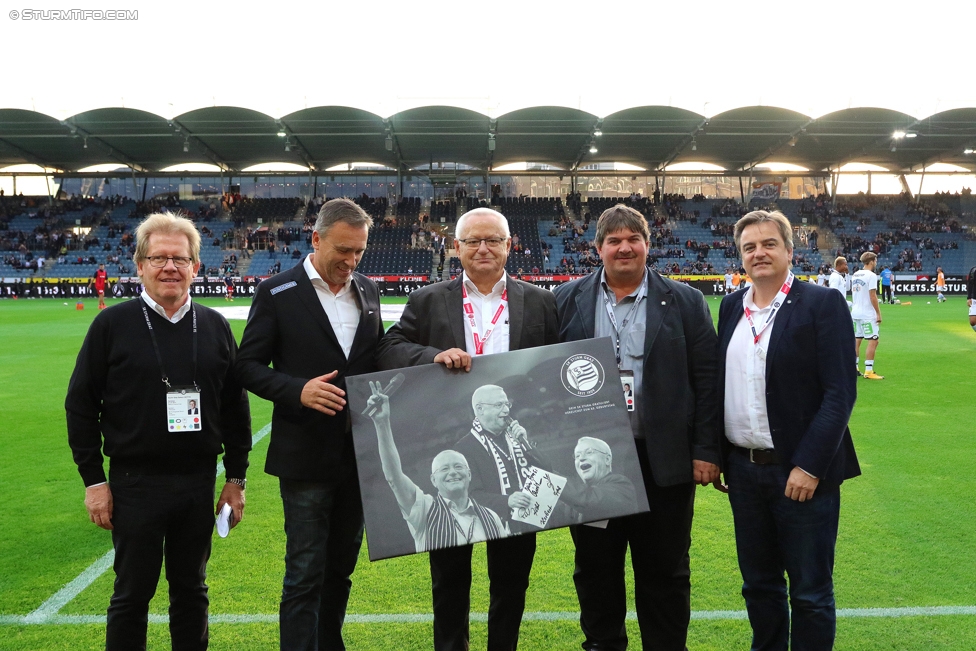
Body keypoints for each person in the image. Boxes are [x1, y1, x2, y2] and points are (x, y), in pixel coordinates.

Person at [65, 213, 252, 651]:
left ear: (196, 267)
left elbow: (234, 407)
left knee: (191, 592)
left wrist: (236, 479)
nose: (170, 267)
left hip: (196, 482)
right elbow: (80, 405)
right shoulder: (111, 326)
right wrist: (94, 480)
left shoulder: (215, 326)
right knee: (132, 596)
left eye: (179, 259)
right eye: (159, 258)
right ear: (140, 266)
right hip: (135, 483)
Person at [376, 207, 559, 651]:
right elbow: (390, 347)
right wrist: (431, 357)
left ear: (510, 246)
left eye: (493, 240)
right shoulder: (427, 299)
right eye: (473, 240)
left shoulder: (540, 300)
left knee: (512, 580)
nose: (483, 248)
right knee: (450, 580)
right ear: (455, 247)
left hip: (516, 461)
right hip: (456, 455)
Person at [553, 204, 721, 651]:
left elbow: (706, 379)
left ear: (648, 244)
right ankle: (603, 645)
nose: (624, 247)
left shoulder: (685, 300)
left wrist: (707, 448)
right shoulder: (566, 298)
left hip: (662, 459)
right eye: (614, 240)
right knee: (595, 567)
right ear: (598, 248)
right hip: (592, 462)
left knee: (665, 569)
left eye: (633, 239)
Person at [235, 198, 385, 651]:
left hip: (358, 457)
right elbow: (246, 366)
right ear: (315, 238)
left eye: (359, 251)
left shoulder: (369, 290)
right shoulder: (277, 291)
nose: (351, 261)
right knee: (304, 571)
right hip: (304, 457)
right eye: (343, 249)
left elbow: (374, 360)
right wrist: (296, 390)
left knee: (340, 567)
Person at [717, 209, 859, 651]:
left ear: (789, 250)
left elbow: (840, 393)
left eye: (768, 244)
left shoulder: (821, 303)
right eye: (749, 247)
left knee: (811, 593)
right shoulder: (730, 307)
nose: (759, 253)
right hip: (744, 473)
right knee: (759, 587)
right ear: (740, 256)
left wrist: (810, 465)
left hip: (801, 476)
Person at [364, 379, 509, 552]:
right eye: (444, 469)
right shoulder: (424, 510)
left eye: (458, 466)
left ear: (469, 474)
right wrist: (382, 423)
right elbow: (394, 477)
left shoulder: (491, 517)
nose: (453, 472)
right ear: (433, 480)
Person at [559, 436, 638, 523]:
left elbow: (589, 499)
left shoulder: (622, 485)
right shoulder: (571, 505)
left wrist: (550, 478)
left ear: (607, 459)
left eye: (589, 452)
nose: (581, 458)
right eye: (577, 456)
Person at [852, 251, 884, 379]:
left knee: (857, 339)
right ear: (871, 261)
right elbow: (872, 296)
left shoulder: (855, 274)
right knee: (873, 340)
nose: (876, 263)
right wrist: (878, 313)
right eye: (875, 261)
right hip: (867, 313)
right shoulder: (871, 276)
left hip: (855, 312)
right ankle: (869, 371)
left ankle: (854, 367)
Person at [968, 264, 976, 333]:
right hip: (974, 299)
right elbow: (970, 283)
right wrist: (969, 297)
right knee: (972, 321)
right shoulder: (973, 270)